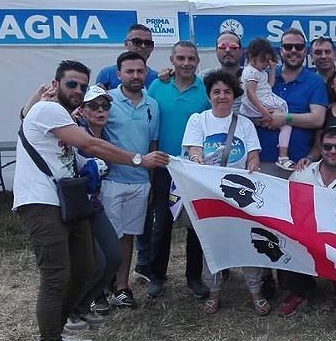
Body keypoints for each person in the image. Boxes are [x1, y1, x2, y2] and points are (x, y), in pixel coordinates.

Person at [14, 60, 168, 341]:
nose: (78, 91)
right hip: (42, 202)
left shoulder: (59, 115)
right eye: (72, 84)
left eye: (83, 86)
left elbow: (75, 150)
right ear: (56, 84)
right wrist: (138, 159)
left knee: (86, 265)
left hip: (68, 202)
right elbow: (90, 144)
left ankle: (55, 334)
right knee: (56, 276)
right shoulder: (48, 109)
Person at [182, 70, 271, 315]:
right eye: (216, 92)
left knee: (247, 242)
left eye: (227, 92)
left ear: (234, 96)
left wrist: (253, 166)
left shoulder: (244, 123)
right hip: (208, 192)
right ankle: (214, 291)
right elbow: (193, 150)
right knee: (212, 244)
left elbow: (253, 155)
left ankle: (255, 292)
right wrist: (197, 161)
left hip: (239, 194)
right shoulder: (198, 120)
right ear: (209, 95)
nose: (222, 96)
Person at [147, 41, 212, 302]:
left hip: (194, 168)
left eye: (191, 59)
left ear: (198, 62)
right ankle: (157, 277)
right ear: (172, 60)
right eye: (181, 58)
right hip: (164, 165)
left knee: (196, 226)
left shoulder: (204, 91)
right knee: (161, 224)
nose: (186, 63)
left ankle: (194, 277)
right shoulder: (157, 85)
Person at [101, 51, 160, 307]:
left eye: (140, 71)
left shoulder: (152, 104)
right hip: (111, 180)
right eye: (130, 71)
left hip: (140, 182)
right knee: (106, 236)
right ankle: (100, 287)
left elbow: (152, 143)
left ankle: (122, 287)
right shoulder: (106, 101)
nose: (135, 76)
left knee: (127, 236)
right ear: (119, 74)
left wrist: (151, 180)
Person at [281, 129, 336, 316]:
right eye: (327, 146)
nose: (333, 151)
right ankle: (298, 291)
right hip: (306, 234)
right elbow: (287, 205)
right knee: (286, 237)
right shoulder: (302, 173)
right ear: (321, 148)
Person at [71, 87, 121, 323]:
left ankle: (82, 306)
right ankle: (71, 310)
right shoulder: (76, 133)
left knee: (114, 256)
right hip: (75, 207)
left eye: (105, 106)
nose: (100, 111)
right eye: (93, 106)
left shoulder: (105, 136)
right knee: (95, 261)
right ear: (81, 110)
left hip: (93, 205)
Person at [256, 28, 328, 177]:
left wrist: (284, 118)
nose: (293, 50)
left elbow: (318, 119)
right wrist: (263, 119)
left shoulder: (315, 81)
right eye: (288, 47)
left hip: (299, 165)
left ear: (305, 51)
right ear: (281, 51)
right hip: (262, 162)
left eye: (299, 47)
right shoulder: (264, 76)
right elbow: (247, 110)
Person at [239, 37, 295, 171]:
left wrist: (272, 69)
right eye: (262, 60)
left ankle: (282, 155)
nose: (265, 64)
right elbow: (250, 93)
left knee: (286, 123)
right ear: (251, 57)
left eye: (267, 60)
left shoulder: (261, 72)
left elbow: (270, 85)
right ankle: (283, 156)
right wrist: (263, 110)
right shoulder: (251, 71)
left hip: (263, 100)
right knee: (286, 122)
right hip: (257, 103)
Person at [96, 24, 158, 90]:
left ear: (152, 47)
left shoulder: (157, 78)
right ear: (126, 44)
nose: (143, 46)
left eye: (148, 43)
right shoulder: (107, 74)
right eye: (137, 42)